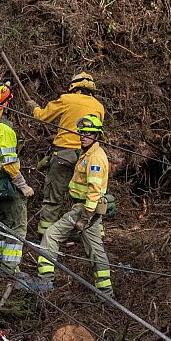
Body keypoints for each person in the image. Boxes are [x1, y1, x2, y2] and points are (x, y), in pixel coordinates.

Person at [36, 114, 112, 295]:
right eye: (82, 133)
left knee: (51, 235)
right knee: (96, 250)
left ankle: (45, 283)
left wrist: (85, 217)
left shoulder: (94, 157)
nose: (83, 136)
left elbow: (94, 190)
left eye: (88, 133)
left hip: (84, 209)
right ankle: (106, 292)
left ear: (97, 136)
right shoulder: (87, 153)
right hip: (84, 209)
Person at [31, 72, 105, 238]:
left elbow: (42, 117)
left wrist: (34, 107)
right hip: (87, 156)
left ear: (74, 87)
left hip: (64, 155)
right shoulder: (99, 107)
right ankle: (93, 233)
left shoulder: (67, 99)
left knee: (53, 197)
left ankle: (45, 235)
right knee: (85, 196)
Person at [0, 81, 35, 278]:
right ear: (7, 103)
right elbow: (10, 163)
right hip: (7, 183)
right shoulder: (5, 130)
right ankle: (10, 269)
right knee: (18, 226)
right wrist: (23, 185)